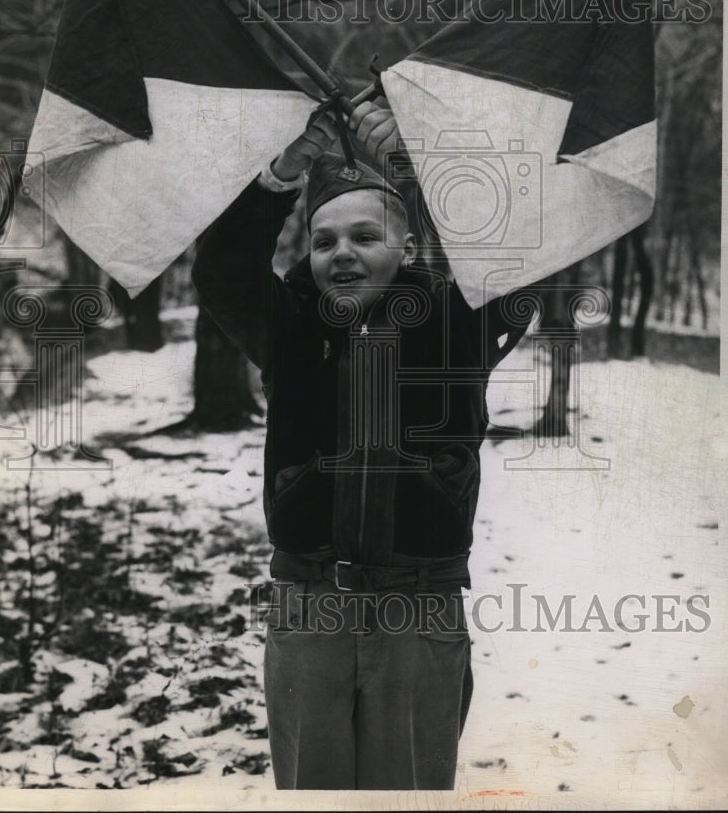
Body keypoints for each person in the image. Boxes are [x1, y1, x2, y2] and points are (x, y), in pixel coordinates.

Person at [192, 100, 529, 790]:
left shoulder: (456, 322)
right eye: (323, 242)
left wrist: (420, 166)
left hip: (419, 603)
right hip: (309, 601)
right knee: (312, 791)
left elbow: (514, 261)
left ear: (405, 248)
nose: (341, 253)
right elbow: (223, 272)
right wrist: (281, 174)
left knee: (405, 792)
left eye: (364, 236)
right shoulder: (286, 327)